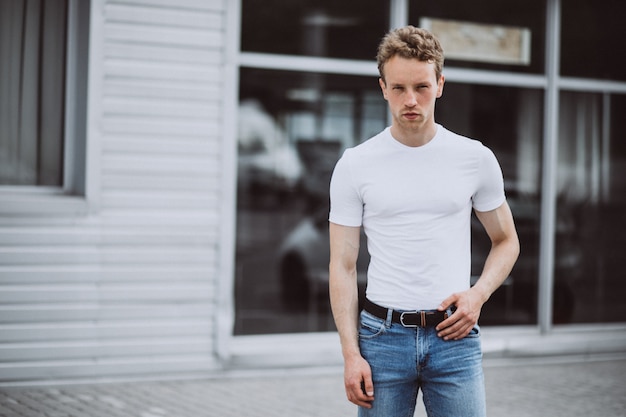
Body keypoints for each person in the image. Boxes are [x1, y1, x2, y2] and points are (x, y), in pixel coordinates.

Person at [328, 25, 520, 417]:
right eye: (398, 88)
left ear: (440, 84)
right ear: (383, 87)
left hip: (455, 337)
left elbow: (507, 241)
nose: (410, 100)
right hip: (381, 339)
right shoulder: (355, 164)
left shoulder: (474, 158)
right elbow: (342, 266)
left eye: (422, 87)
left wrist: (477, 295)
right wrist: (351, 354)